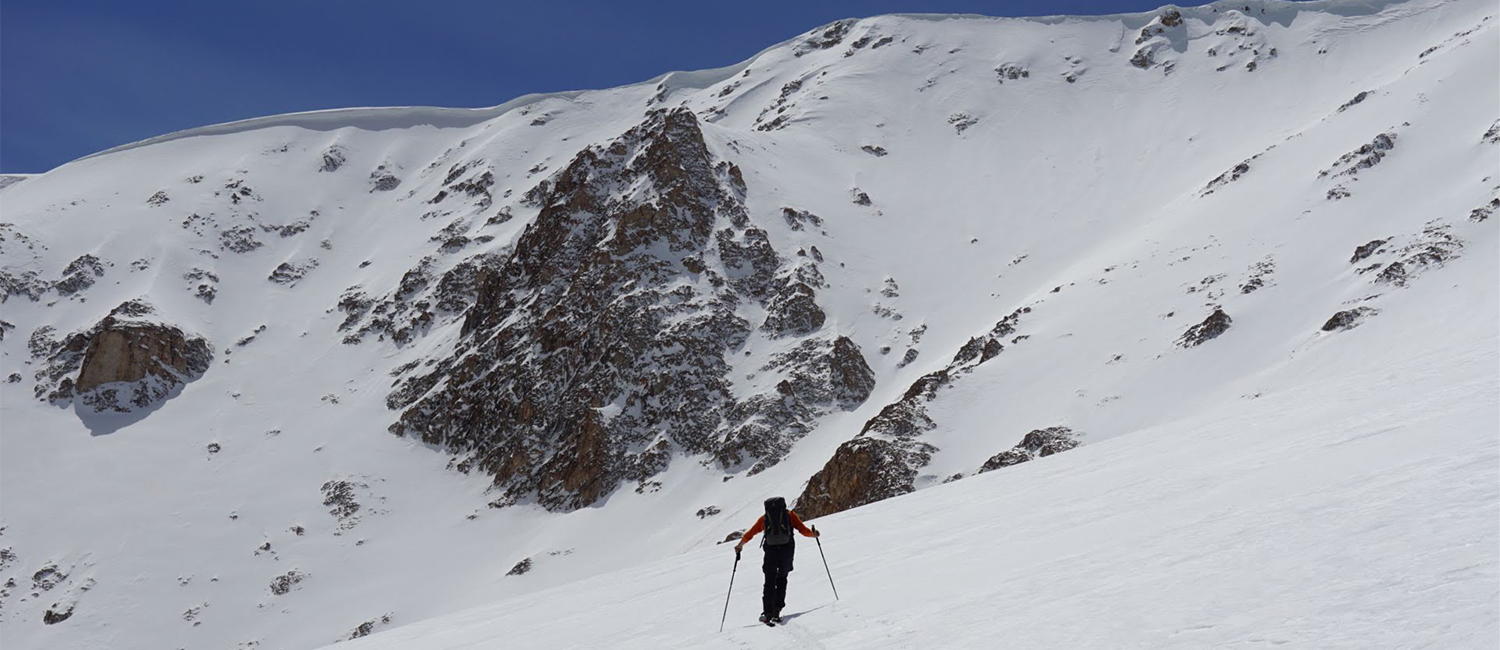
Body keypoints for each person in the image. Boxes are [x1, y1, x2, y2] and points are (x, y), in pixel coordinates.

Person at [734, 496, 820, 625]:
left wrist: (740, 545)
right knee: (782, 578)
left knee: (769, 581)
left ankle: (767, 612)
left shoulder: (765, 518)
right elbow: (803, 530)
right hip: (787, 550)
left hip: (771, 551)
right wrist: (813, 534)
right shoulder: (790, 515)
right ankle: (777, 609)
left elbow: (750, 533)